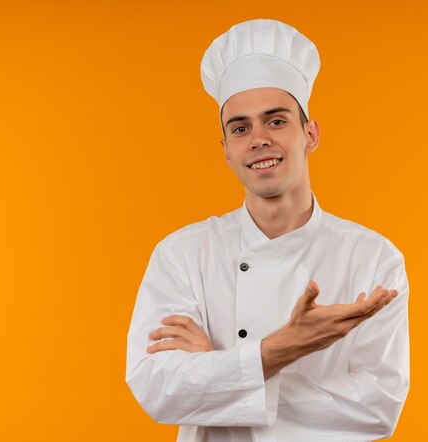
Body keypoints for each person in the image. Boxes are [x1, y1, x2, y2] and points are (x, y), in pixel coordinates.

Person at [126, 19, 410, 442]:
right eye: (240, 128)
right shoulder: (182, 254)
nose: (258, 139)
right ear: (225, 150)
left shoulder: (373, 257)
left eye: (276, 121)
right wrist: (279, 350)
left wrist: (220, 370)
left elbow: (378, 406)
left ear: (310, 134)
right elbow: (156, 389)